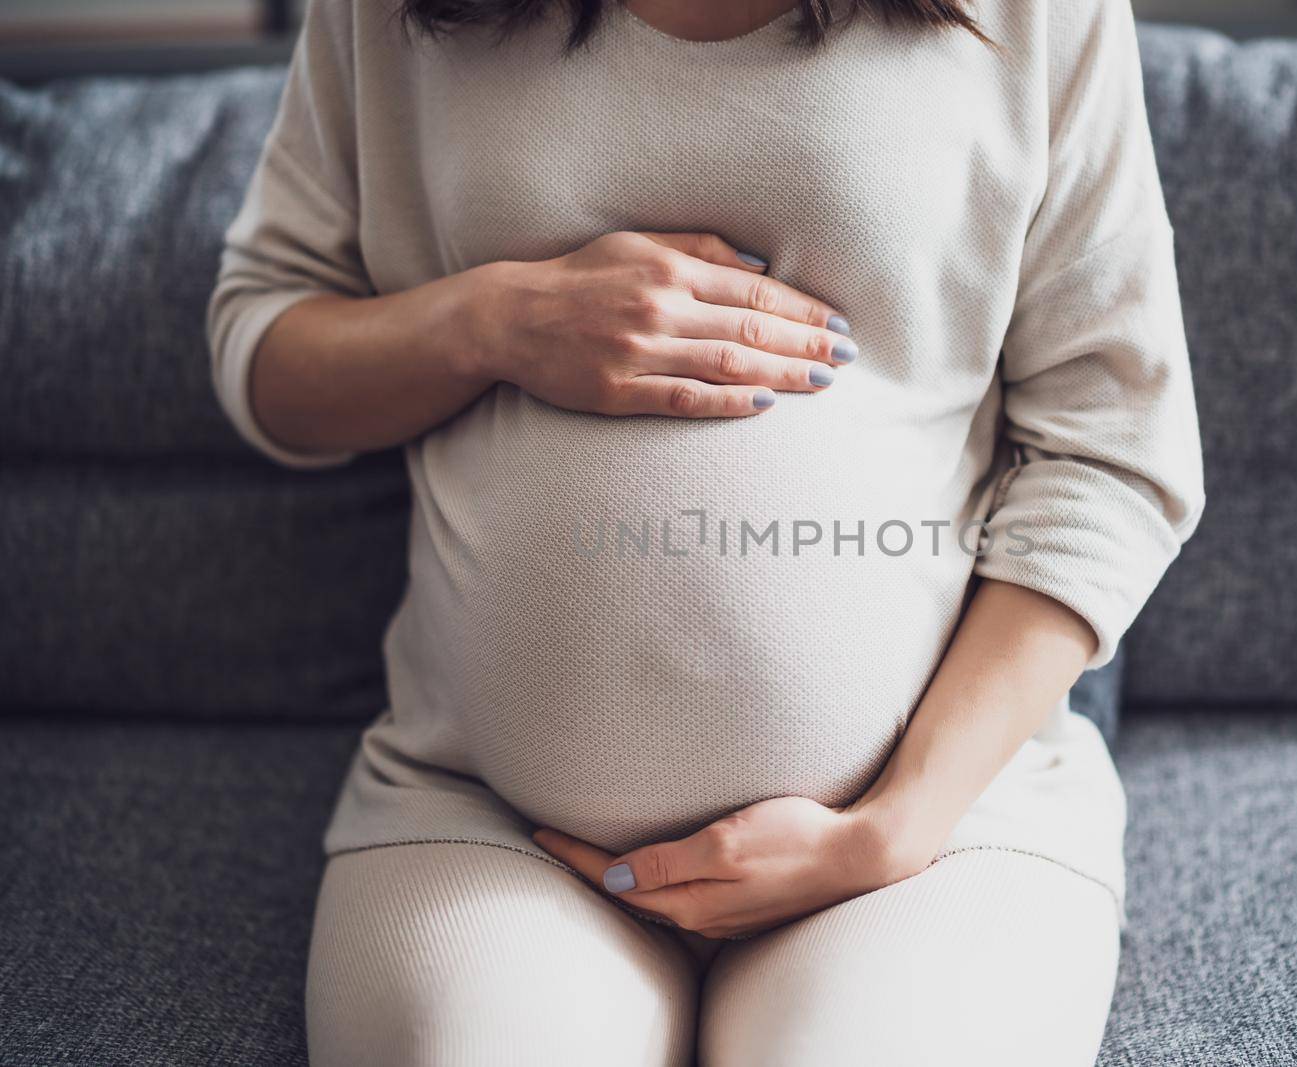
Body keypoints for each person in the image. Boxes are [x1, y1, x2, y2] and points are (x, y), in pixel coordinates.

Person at [207, 0, 1205, 1062]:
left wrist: (893, 822)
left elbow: (1113, 447)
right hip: (487, 820)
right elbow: (264, 344)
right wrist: (496, 320)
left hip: (932, 836)